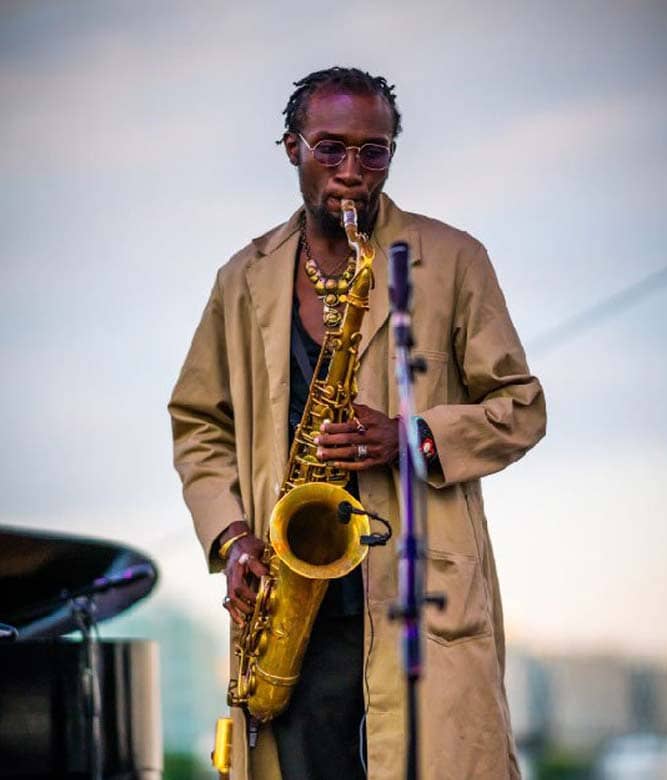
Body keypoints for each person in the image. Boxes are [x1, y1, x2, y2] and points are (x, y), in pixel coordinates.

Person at [169, 66, 546, 780]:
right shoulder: (241, 278)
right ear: (291, 148)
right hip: (294, 600)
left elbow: (521, 407)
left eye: (373, 153)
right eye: (329, 149)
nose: (351, 172)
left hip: (418, 599)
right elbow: (198, 422)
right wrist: (234, 536)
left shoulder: (454, 259)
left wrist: (408, 436)